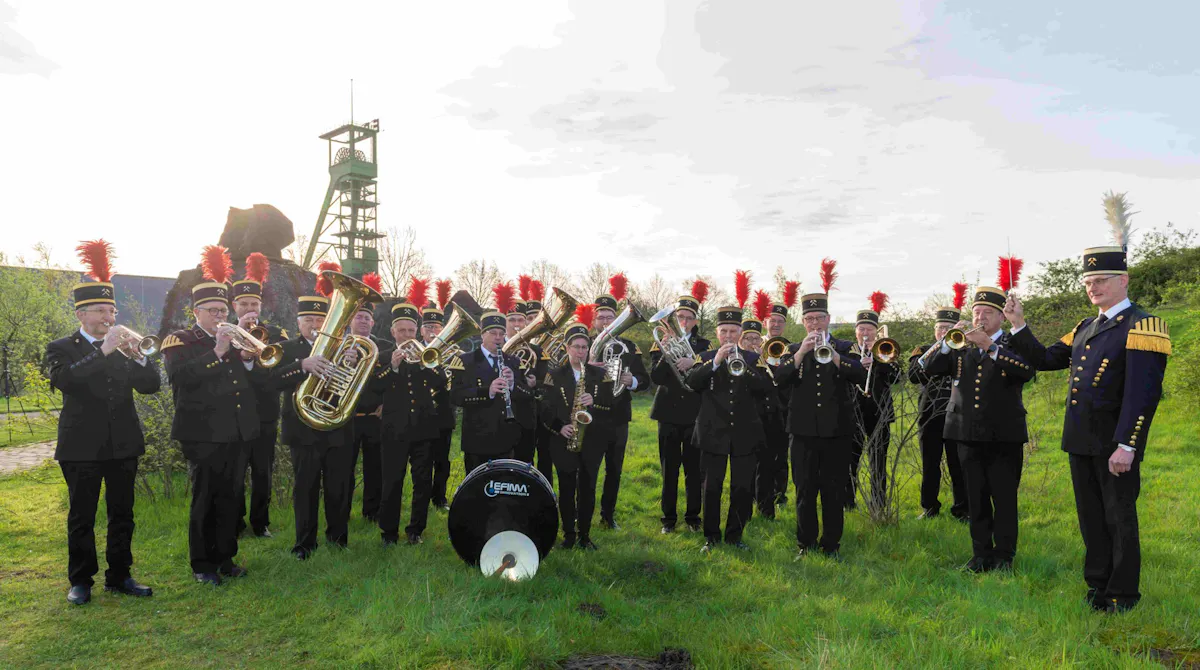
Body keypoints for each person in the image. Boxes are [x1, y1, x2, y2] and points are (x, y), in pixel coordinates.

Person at [1005, 244, 1169, 612]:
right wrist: (1019, 325)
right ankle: (1097, 586)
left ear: (1123, 281)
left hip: (1114, 443)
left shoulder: (1144, 325)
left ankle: (1123, 594)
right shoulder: (1085, 327)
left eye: (1099, 280)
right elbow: (1047, 359)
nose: (1092, 287)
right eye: (1087, 282)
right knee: (1091, 518)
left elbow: (1143, 394)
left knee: (1119, 517)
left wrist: (1127, 444)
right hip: (1080, 440)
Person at [45, 240, 160, 605]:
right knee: (82, 516)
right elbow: (66, 381)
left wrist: (139, 357)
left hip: (123, 443)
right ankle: (81, 581)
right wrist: (103, 350)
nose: (107, 316)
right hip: (81, 446)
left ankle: (120, 575)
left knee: (122, 514)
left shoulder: (125, 345)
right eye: (98, 310)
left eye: (110, 308)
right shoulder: (61, 347)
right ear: (81, 315)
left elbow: (151, 387)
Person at [161, 245, 261, 585]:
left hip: (236, 432)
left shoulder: (235, 339)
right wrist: (219, 350)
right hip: (202, 433)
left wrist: (246, 356)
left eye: (223, 310)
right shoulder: (180, 341)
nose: (220, 316)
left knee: (231, 497)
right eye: (213, 310)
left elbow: (244, 381)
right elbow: (180, 379)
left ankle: (226, 559)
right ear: (197, 312)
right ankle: (202, 565)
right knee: (205, 499)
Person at [921, 283, 1034, 572]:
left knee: (1004, 498)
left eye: (986, 313)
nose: (979, 318)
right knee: (976, 497)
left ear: (1000, 317)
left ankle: (1004, 556)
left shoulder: (1012, 343)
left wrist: (991, 347)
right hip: (966, 434)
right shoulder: (961, 345)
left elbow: (1027, 371)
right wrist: (946, 341)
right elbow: (929, 368)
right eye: (976, 312)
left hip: (1004, 435)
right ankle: (980, 555)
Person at [773, 280, 866, 559]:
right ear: (803, 322)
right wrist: (801, 352)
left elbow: (860, 375)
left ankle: (831, 545)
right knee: (804, 490)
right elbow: (779, 379)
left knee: (833, 491)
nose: (815, 324)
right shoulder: (791, 350)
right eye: (809, 319)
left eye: (819, 319)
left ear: (828, 319)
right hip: (802, 431)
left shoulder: (845, 347)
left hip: (837, 431)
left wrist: (835, 355)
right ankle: (805, 543)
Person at [268, 269, 357, 560]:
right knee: (305, 488)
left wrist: (350, 364)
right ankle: (304, 544)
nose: (316, 325)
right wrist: (302, 365)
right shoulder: (286, 348)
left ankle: (338, 539)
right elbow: (272, 381)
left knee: (338, 488)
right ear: (298, 322)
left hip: (336, 427)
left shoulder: (341, 348)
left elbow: (353, 385)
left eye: (320, 320)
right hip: (302, 430)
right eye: (309, 320)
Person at [687, 305, 770, 552]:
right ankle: (711, 537)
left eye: (734, 332)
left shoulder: (755, 358)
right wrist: (715, 362)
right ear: (717, 332)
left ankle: (735, 536)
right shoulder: (705, 357)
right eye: (724, 331)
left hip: (745, 433)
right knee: (711, 487)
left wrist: (744, 365)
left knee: (742, 488)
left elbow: (766, 388)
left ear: (740, 333)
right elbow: (692, 383)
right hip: (713, 433)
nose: (729, 336)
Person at [231, 253, 288, 539]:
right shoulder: (225, 334)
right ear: (235, 307)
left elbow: (278, 373)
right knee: (237, 473)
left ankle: (260, 523)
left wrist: (254, 359)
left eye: (254, 304)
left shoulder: (276, 333)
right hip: (235, 416)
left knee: (263, 472)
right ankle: (237, 523)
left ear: (261, 305)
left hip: (265, 413)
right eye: (244, 305)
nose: (250, 309)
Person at [376, 295, 439, 546]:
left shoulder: (426, 355)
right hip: (394, 429)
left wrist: (425, 365)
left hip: (423, 427)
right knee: (392, 481)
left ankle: (416, 530)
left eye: (411, 330)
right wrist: (391, 366)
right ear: (393, 331)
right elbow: (373, 386)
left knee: (423, 482)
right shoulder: (382, 356)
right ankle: (388, 533)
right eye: (402, 330)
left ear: (418, 331)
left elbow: (441, 383)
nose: (406, 335)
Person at [540, 312, 604, 550]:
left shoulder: (599, 374)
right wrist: (560, 427)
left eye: (584, 347)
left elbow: (610, 408)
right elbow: (544, 409)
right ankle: (568, 534)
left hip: (592, 441)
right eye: (576, 347)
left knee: (588, 488)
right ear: (567, 348)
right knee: (566, 488)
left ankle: (585, 535)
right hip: (564, 439)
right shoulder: (554, 375)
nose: (580, 351)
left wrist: (593, 404)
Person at [590, 274, 650, 530]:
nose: (605, 321)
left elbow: (645, 381)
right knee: (588, 469)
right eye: (601, 317)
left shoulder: (629, 346)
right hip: (590, 415)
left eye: (609, 317)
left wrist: (631, 380)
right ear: (593, 320)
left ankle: (607, 515)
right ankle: (583, 513)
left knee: (614, 470)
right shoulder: (583, 345)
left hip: (618, 417)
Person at [649, 283, 709, 534]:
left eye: (688, 318)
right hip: (668, 414)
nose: (683, 321)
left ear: (695, 321)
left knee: (694, 470)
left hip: (694, 415)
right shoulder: (660, 343)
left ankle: (693, 517)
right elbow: (657, 377)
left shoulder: (705, 346)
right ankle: (668, 519)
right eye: (679, 317)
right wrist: (665, 352)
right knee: (669, 469)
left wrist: (692, 361)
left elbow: (706, 378)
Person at [908, 290, 968, 521]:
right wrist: (940, 346)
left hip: (958, 415)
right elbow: (914, 375)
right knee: (930, 464)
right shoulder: (923, 350)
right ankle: (929, 507)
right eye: (940, 327)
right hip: (930, 415)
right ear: (934, 330)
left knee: (958, 465)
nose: (943, 332)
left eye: (948, 327)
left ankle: (962, 508)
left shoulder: (965, 350)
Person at [453, 309, 529, 471]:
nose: (498, 338)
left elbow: (527, 397)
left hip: (507, 439)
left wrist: (514, 384)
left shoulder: (514, 362)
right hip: (477, 439)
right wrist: (488, 391)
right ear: (482, 334)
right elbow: (456, 396)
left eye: (501, 334)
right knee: (476, 488)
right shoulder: (465, 361)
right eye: (493, 333)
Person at [848, 295, 902, 510]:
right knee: (851, 461)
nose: (865, 333)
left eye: (869, 329)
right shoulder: (848, 352)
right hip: (854, 413)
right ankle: (848, 502)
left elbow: (897, 377)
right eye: (861, 329)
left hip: (880, 413)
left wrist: (878, 361)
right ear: (856, 332)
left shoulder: (885, 351)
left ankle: (878, 502)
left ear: (876, 331)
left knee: (878, 461)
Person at [347, 273, 389, 524]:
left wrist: (386, 403)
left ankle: (372, 512)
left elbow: (389, 381)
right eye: (359, 316)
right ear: (350, 320)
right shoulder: (338, 346)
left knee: (376, 468)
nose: (363, 320)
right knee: (344, 467)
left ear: (373, 323)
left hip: (375, 416)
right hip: (347, 417)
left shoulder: (383, 348)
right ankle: (343, 508)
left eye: (367, 318)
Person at [420, 304, 457, 512]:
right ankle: (422, 497)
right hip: (420, 414)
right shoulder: (414, 349)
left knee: (442, 460)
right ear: (421, 330)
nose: (432, 330)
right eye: (428, 326)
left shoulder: (452, 353)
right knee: (422, 460)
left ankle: (439, 497)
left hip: (443, 413)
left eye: (436, 326)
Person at [764, 285, 797, 506]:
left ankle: (780, 495)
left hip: (784, 407)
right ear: (765, 322)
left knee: (781, 455)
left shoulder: (791, 347)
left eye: (779, 321)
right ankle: (761, 493)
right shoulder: (752, 342)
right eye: (772, 320)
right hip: (759, 408)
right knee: (759, 454)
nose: (775, 324)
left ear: (785, 325)